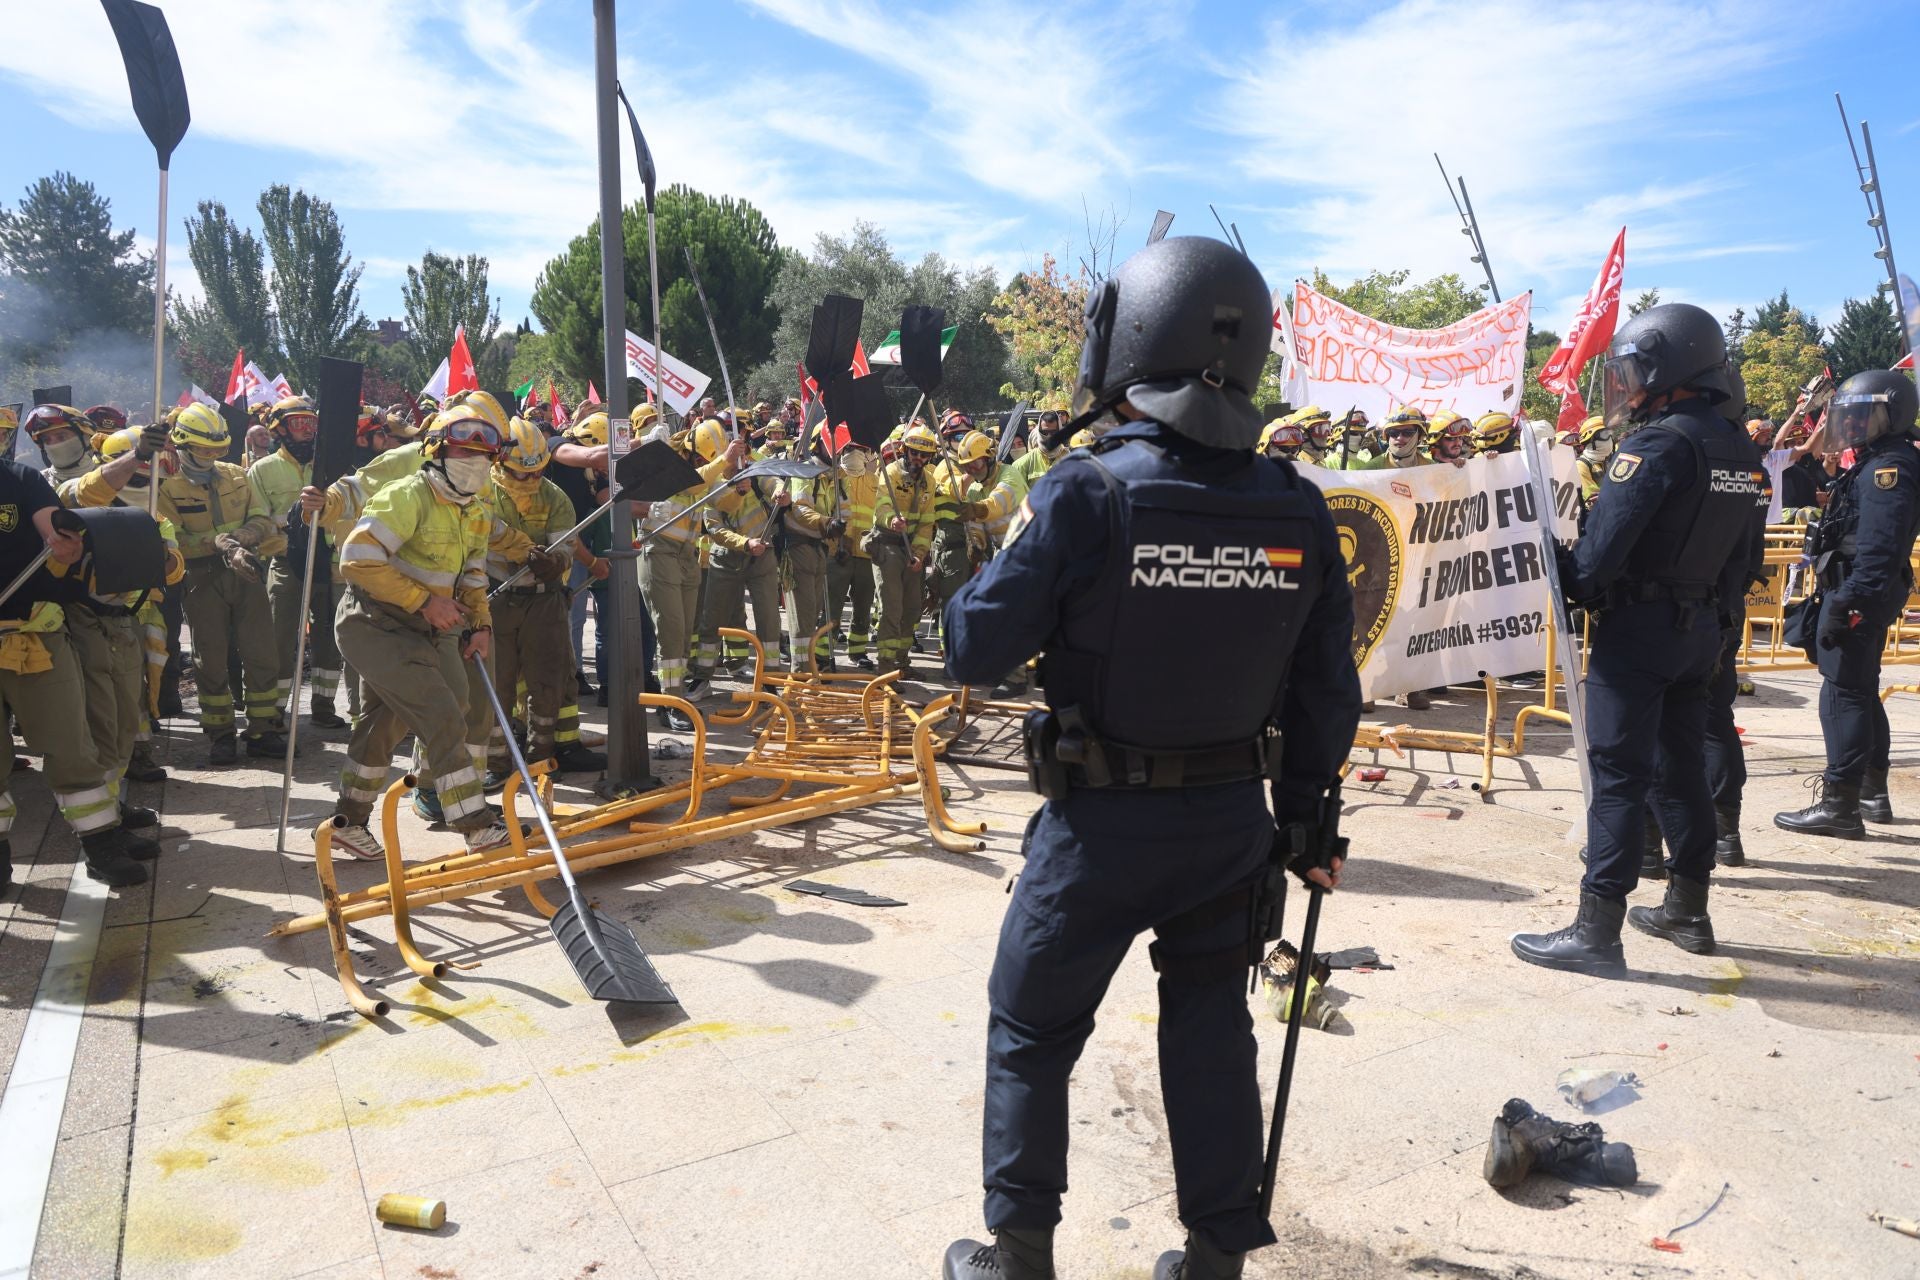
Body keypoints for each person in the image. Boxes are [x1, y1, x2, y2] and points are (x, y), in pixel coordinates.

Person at [941, 237, 1361, 1280]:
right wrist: (1308, 824)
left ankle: (1020, 1258)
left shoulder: (1084, 491)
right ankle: (1216, 1258)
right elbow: (1326, 688)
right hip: (1229, 825)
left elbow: (970, 645)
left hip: (1098, 828)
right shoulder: (1297, 505)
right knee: (1212, 1036)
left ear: (1129, 339)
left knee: (1031, 1029)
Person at [1511, 303, 1767, 976]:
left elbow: (1596, 563)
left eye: (1631, 370)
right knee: (1680, 770)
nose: (1623, 385)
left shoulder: (1658, 444)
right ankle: (1688, 909)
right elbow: (1745, 556)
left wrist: (1561, 563)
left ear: (1669, 367)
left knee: (1619, 777)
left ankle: (1597, 928)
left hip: (1642, 631)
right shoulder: (1740, 447)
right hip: (1702, 630)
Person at [327, 404, 512, 861]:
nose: (474, 465)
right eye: (462, 453)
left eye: (483, 457)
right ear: (436, 452)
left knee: (386, 720)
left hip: (428, 629)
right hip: (375, 624)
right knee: (442, 712)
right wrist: (425, 602)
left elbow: (472, 577)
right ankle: (473, 823)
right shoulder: (406, 496)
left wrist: (481, 625)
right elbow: (357, 558)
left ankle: (347, 822)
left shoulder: (475, 509)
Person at [0, 446, 155, 893]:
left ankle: (101, 846)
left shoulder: (21, 479)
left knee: (70, 743)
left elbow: (52, 522)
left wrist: (64, 542)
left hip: (32, 636)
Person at [1773, 369, 1920, 838]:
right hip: (1855, 587)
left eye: (1863, 414)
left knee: (1843, 694)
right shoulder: (1880, 460)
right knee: (1859, 687)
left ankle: (1840, 803)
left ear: (1890, 415)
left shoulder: (1887, 469)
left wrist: (1850, 601)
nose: (1852, 424)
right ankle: (1872, 793)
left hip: (1858, 589)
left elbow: (1879, 549)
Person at [59, 421, 185, 822]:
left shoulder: (154, 518)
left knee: (126, 721)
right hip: (83, 626)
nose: (143, 475)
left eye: (150, 470)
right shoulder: (76, 506)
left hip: (126, 626)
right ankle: (98, 823)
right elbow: (85, 493)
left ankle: (112, 806)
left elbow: (174, 568)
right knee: (100, 723)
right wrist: (138, 455)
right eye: (135, 467)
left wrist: (151, 552)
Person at [163, 403, 287, 765]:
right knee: (211, 658)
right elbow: (173, 540)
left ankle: (264, 728)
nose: (211, 456)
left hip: (246, 571)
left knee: (262, 652)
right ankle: (220, 734)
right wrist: (215, 544)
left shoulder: (237, 475)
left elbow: (262, 518)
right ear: (183, 446)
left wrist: (245, 537)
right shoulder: (169, 489)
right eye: (203, 450)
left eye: (216, 450)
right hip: (202, 579)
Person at [476, 419, 579, 782]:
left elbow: (565, 544)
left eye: (535, 473)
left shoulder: (555, 497)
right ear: (499, 463)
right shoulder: (480, 492)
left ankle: (540, 759)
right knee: (497, 684)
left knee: (548, 682)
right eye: (519, 474)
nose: (528, 482)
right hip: (495, 599)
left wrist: (557, 562)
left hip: (545, 601)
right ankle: (498, 763)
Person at [248, 395, 346, 729]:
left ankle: (324, 704)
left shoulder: (331, 466)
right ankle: (274, 710)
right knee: (280, 637)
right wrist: (288, 547)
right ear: (280, 429)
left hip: (329, 562)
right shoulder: (263, 470)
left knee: (328, 638)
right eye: (299, 424)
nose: (307, 431)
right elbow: (257, 518)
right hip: (287, 563)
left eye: (311, 424)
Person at [865, 422, 938, 676]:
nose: (918, 458)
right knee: (892, 609)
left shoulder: (930, 481)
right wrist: (891, 520)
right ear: (905, 450)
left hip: (911, 552)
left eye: (924, 454)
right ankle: (885, 668)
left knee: (911, 609)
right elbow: (882, 506)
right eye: (914, 452)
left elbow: (927, 523)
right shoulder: (891, 473)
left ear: (930, 456)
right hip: (887, 546)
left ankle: (902, 663)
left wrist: (919, 555)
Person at [824, 443, 879, 672]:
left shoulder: (876, 482)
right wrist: (836, 543)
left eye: (860, 448)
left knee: (863, 607)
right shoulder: (833, 479)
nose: (854, 453)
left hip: (866, 554)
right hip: (838, 553)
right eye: (849, 448)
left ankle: (858, 651)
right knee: (832, 607)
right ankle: (825, 654)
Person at [1364, 408, 1431, 469]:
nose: (1399, 438)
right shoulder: (1371, 469)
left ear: (1419, 436)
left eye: (1407, 433)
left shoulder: (1431, 467)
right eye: (1394, 433)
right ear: (1387, 436)